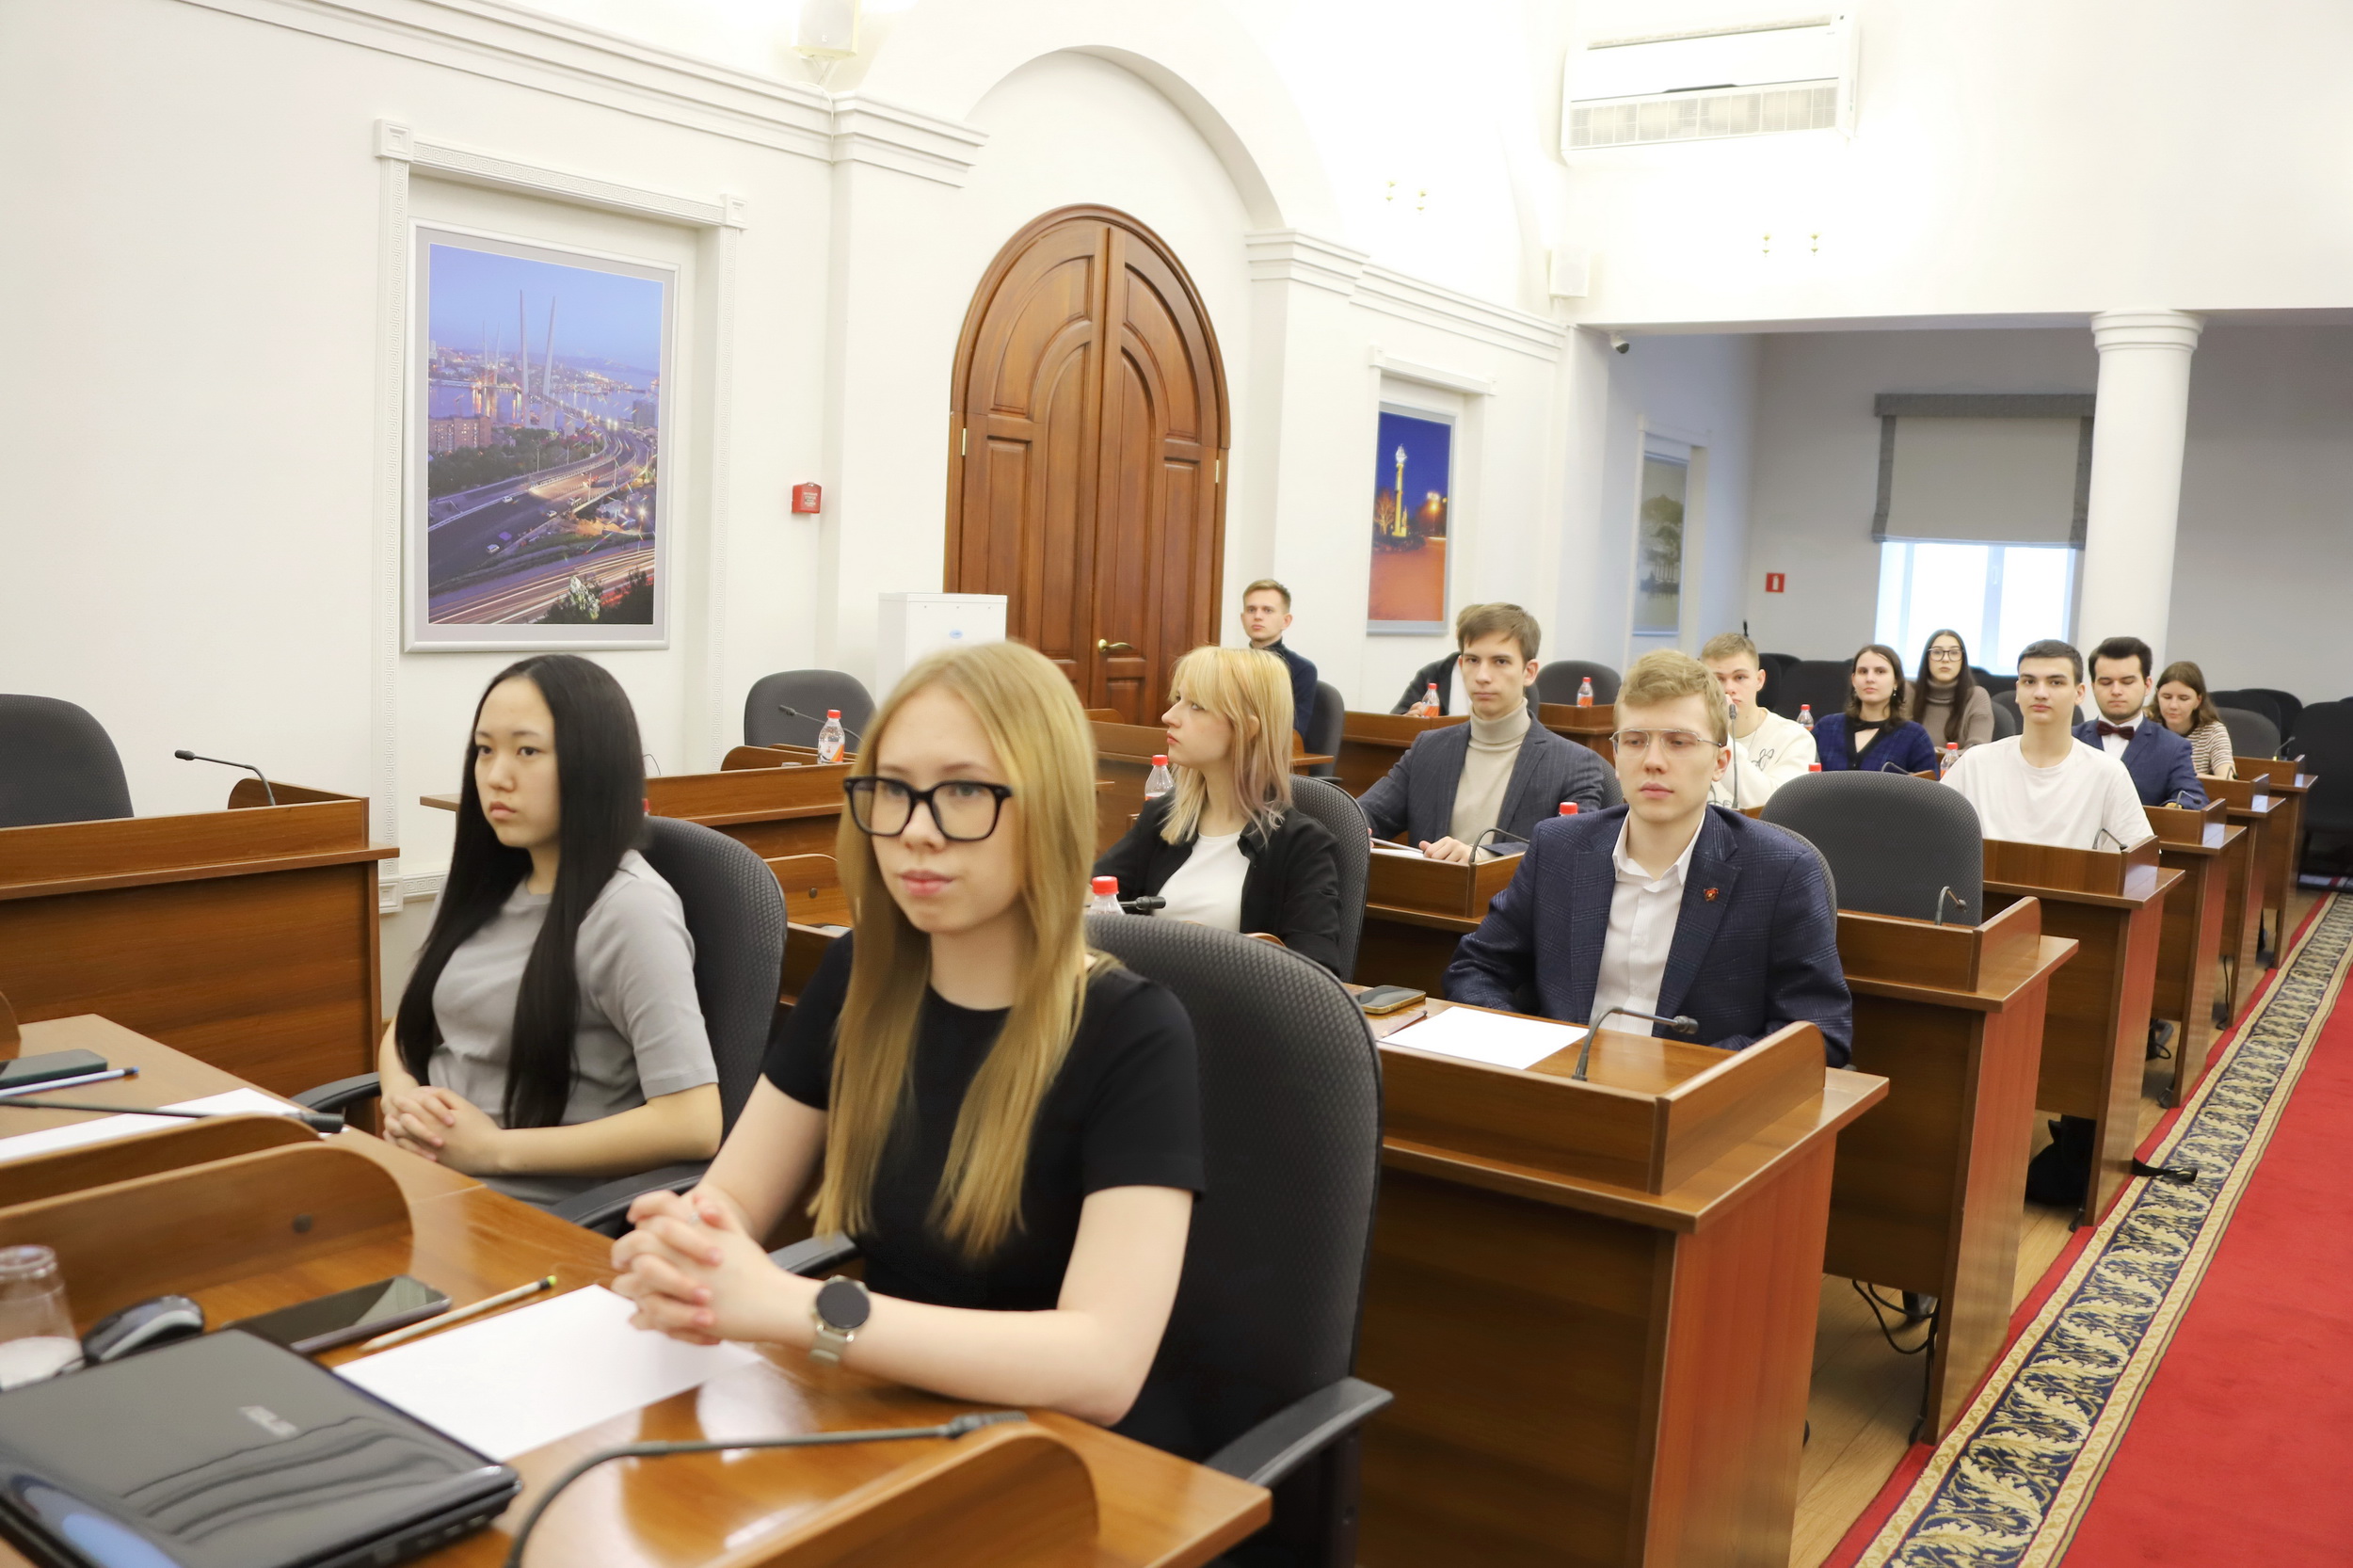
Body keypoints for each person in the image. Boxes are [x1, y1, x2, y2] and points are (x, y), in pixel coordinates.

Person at [610, 640, 1203, 1438]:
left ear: (1050, 807)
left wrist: (805, 1309)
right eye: (891, 790)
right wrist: (688, 1243)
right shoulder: (862, 975)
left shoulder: (1135, 1034)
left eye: (962, 791)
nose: (916, 831)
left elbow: (1102, 1367)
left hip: (1052, 1455)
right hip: (885, 1415)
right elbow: (738, 1196)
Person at [380, 655, 721, 1208]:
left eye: (527, 751)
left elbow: (694, 1121)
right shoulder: (479, 884)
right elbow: (408, 1024)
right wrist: (401, 1098)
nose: (496, 775)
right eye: (484, 750)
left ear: (593, 764)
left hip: (524, 1213)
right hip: (422, 1184)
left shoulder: (630, 911)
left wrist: (493, 1151)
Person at [1444, 650, 1851, 1065]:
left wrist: (1688, 1075)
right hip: (1560, 1083)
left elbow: (1820, 1031)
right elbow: (1475, 969)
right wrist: (1532, 1050)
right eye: (1636, 741)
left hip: (1697, 1097)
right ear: (1616, 757)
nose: (1653, 761)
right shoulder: (1558, 847)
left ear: (1720, 762)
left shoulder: (1780, 871)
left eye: (1679, 742)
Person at [1094, 646, 1343, 973]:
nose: (1169, 716)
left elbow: (1318, 974)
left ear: (1247, 729)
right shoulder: (1165, 817)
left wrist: (1208, 951)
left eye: (1196, 706)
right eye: (1178, 699)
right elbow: (1094, 898)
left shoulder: (1302, 845)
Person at [1357, 603, 1615, 862]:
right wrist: (1354, 831)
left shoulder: (1574, 763)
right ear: (1461, 665)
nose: (1482, 676)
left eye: (1500, 661)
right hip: (1430, 887)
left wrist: (1484, 855)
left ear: (1529, 672)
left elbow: (1571, 849)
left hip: (1512, 889)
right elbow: (1363, 815)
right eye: (1473, 660)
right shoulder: (1429, 748)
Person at [1941, 639, 2153, 850]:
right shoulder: (1975, 764)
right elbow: (1932, 838)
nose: (2040, 693)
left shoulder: (2108, 773)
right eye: (2029, 682)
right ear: (2018, 690)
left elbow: (2139, 860)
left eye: (2055, 682)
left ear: (2079, 693)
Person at [2075, 635, 2205, 808]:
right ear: (2093, 687)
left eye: (2127, 682)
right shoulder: (2070, 739)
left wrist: (2178, 806)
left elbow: (2193, 797)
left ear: (2147, 685)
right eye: (2106, 683)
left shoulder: (2173, 747)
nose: (2116, 691)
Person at [1699, 632, 1817, 807]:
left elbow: (1774, 805)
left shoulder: (1795, 738)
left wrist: (1721, 735)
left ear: (1759, 680)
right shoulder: (1691, 735)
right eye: (1718, 679)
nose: (1729, 688)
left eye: (1740, 677)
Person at [1812, 644, 1938, 775]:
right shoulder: (1826, 728)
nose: (1869, 679)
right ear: (1854, 680)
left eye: (1880, 671)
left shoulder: (1914, 736)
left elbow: (1930, 786)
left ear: (1896, 681)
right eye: (1863, 671)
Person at [1238, 578, 1317, 740]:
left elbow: (1294, 732)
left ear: (1285, 621)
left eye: (1267, 610)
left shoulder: (1301, 669)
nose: (1257, 616)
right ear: (1242, 618)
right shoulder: (1230, 665)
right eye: (1251, 610)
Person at [2152, 660, 2237, 780]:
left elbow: (2228, 780)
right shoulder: (2146, 725)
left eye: (2183, 698)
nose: (2173, 705)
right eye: (2167, 697)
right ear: (2157, 696)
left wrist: (2185, 774)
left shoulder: (2213, 731)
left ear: (2198, 701)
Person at [1913, 629, 1994, 751]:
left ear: (1963, 660)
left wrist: (1940, 754)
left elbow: (1978, 751)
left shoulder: (1976, 696)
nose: (1945, 659)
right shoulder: (1909, 692)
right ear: (1927, 658)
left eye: (1954, 653)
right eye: (1937, 652)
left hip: (1960, 765)